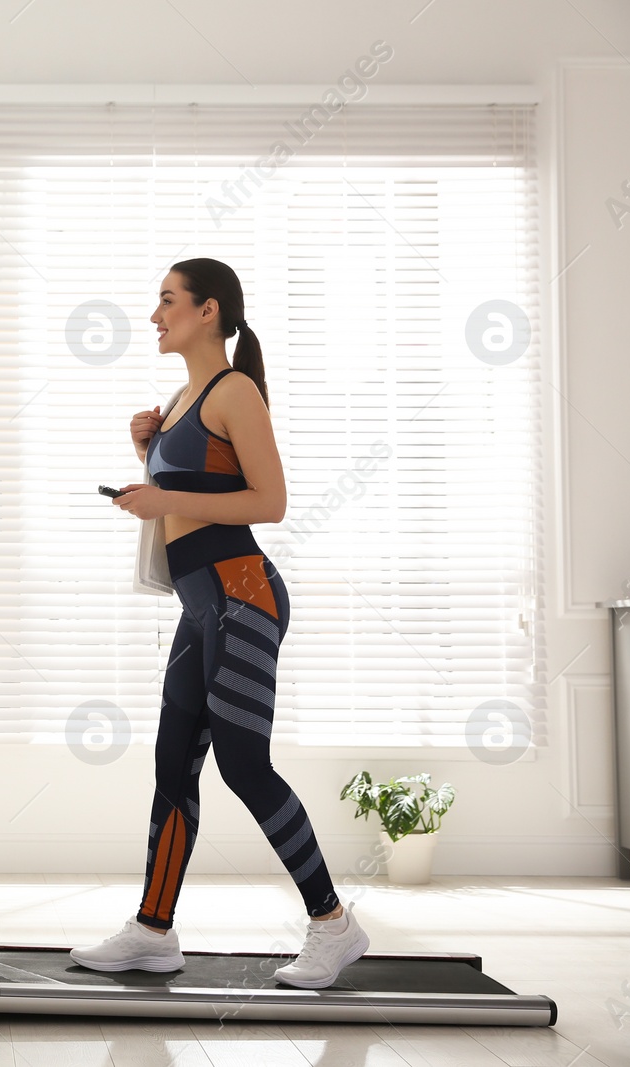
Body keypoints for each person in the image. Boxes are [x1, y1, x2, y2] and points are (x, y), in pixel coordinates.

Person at [69, 258, 369, 989]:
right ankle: (152, 929)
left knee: (242, 762)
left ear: (208, 311)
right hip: (201, 604)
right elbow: (199, 483)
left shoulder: (235, 390)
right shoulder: (182, 397)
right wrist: (147, 446)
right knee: (174, 764)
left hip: (244, 592)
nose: (154, 315)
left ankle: (333, 925)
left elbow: (270, 502)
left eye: (167, 301)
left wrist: (160, 494)